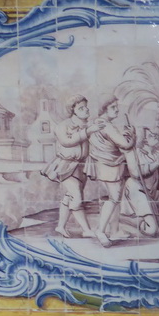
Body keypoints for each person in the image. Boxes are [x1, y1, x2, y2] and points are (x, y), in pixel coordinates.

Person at [41, 94, 104, 238]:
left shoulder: (89, 125)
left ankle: (60, 226)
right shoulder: (62, 126)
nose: (86, 110)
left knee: (70, 196)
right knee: (76, 197)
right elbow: (66, 142)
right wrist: (87, 132)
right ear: (73, 110)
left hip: (82, 166)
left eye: (86, 107)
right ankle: (86, 230)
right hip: (66, 165)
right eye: (81, 108)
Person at [86, 97, 135, 247]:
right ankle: (100, 230)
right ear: (104, 109)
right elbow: (125, 144)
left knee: (116, 199)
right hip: (110, 165)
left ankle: (115, 231)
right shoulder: (106, 125)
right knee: (114, 198)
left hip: (106, 164)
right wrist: (131, 134)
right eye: (113, 107)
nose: (117, 109)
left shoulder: (96, 123)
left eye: (117, 106)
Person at [122, 127, 159, 237]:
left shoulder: (157, 153)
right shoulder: (135, 153)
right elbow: (136, 173)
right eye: (151, 135)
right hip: (137, 189)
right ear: (144, 140)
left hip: (153, 191)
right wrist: (155, 165)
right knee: (151, 230)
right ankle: (127, 221)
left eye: (155, 134)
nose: (155, 136)